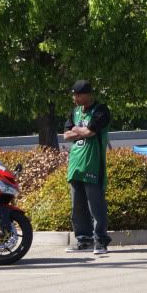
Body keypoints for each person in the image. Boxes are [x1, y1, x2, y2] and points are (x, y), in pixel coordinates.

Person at [64, 80, 112, 255]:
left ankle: (101, 241)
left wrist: (78, 130)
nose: (75, 97)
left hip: (93, 164)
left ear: (88, 94)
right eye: (74, 94)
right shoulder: (74, 112)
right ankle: (84, 241)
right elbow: (66, 135)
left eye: (78, 94)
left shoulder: (100, 110)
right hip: (75, 165)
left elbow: (91, 132)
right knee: (78, 206)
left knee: (96, 205)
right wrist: (79, 130)